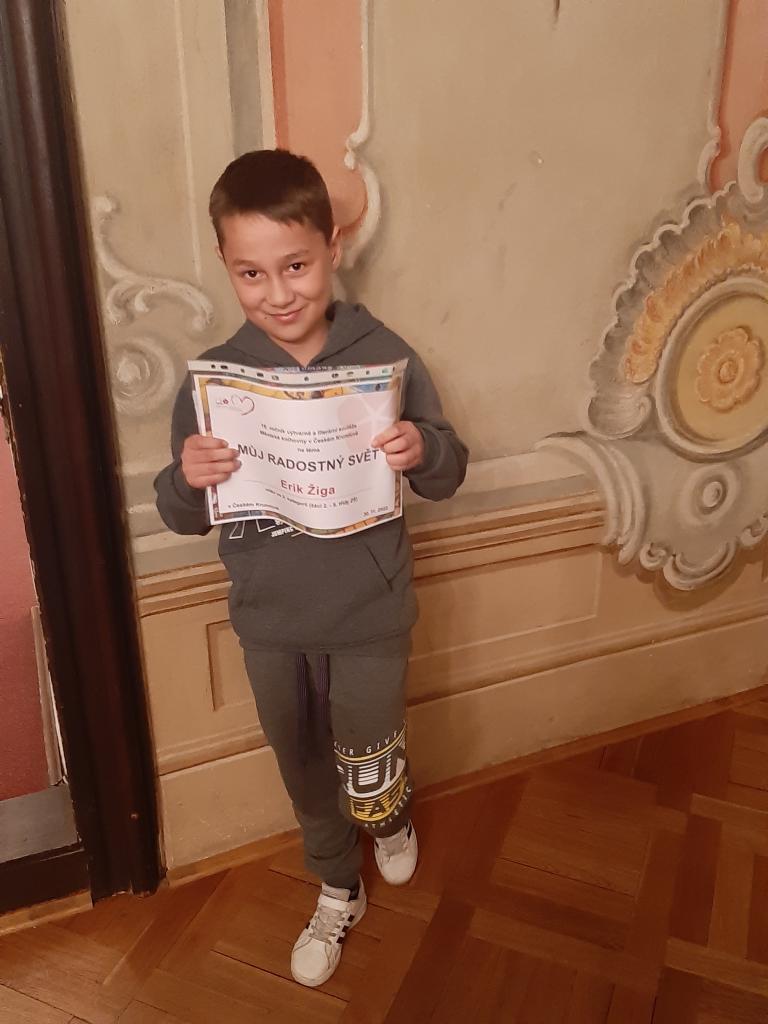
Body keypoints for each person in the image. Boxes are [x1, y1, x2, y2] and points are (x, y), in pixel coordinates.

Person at [155, 149, 468, 988]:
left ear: (332, 248)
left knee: (371, 752)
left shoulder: (385, 357)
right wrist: (187, 478)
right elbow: (181, 512)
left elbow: (448, 471)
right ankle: (337, 885)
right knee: (300, 759)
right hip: (272, 622)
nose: (278, 292)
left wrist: (422, 448)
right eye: (252, 273)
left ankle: (390, 820)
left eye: (295, 265)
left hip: (370, 612)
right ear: (226, 266)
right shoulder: (215, 382)